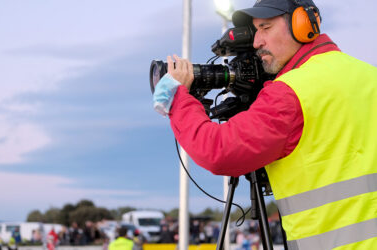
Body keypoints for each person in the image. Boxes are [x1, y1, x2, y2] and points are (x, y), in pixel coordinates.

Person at [153, 0, 377, 249]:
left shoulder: (290, 92)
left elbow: (218, 151)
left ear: (303, 25)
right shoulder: (370, 76)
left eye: (265, 27)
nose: (257, 41)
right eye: (255, 31)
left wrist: (178, 96)